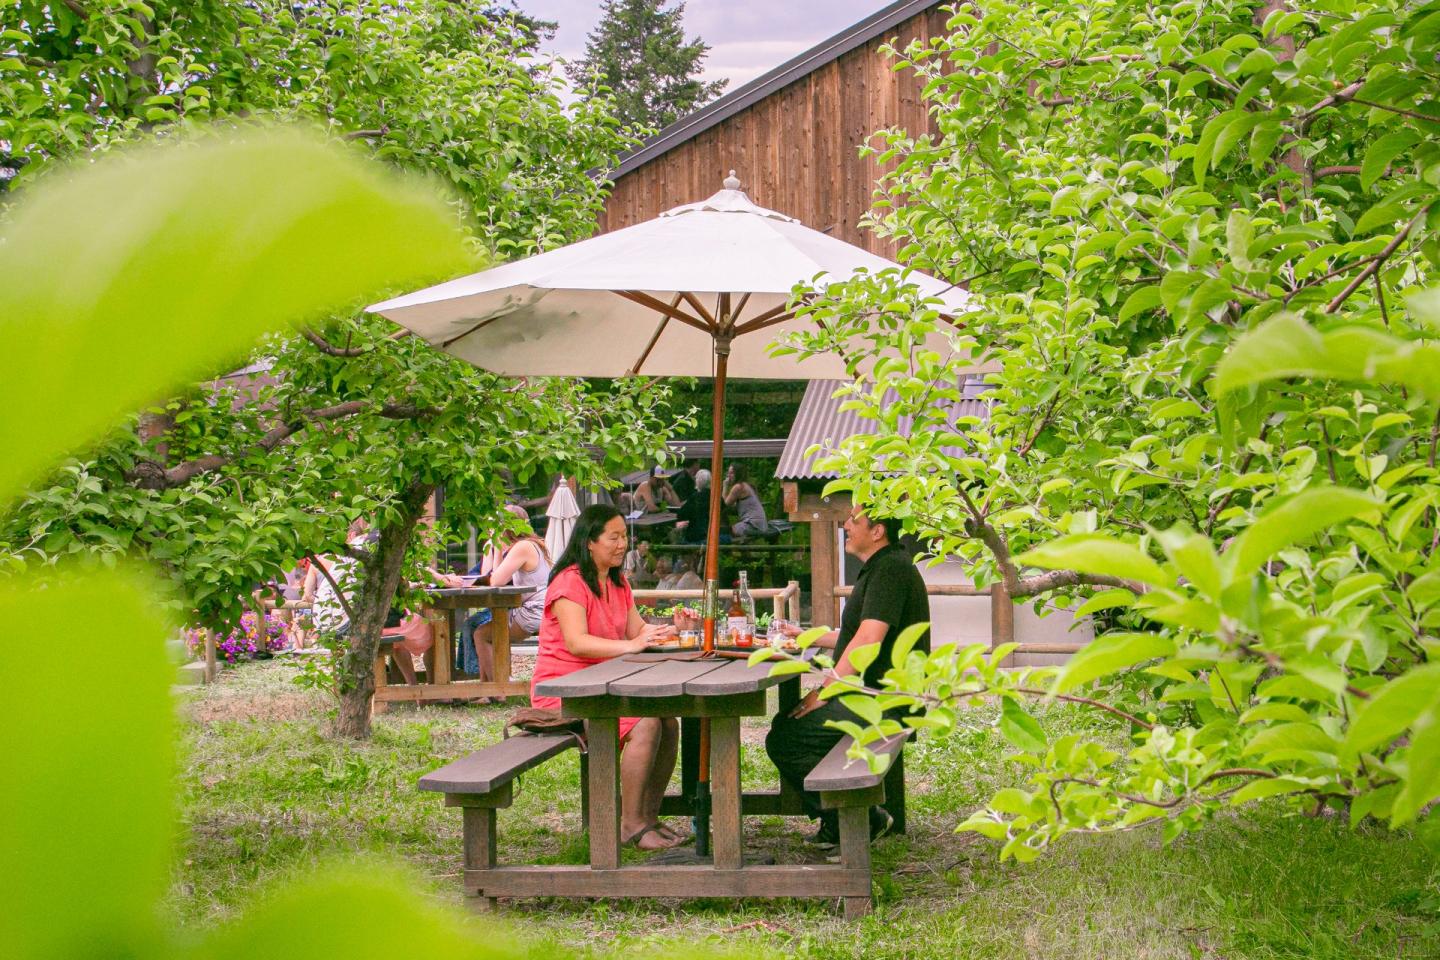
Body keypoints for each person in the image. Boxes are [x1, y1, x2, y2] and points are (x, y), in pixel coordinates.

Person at [765, 509, 930, 849]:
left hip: (884, 702)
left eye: (854, 521)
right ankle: (846, 819)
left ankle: (859, 820)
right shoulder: (885, 566)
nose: (845, 525)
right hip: (877, 694)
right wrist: (807, 635)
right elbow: (856, 632)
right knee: (787, 725)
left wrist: (825, 692)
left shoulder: (891, 569)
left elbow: (869, 639)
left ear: (877, 531)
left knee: (787, 738)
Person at [530, 504, 684, 851]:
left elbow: (638, 629)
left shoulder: (616, 581)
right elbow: (577, 642)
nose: (622, 544)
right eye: (613, 537)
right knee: (645, 724)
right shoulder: (569, 582)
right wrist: (633, 644)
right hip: (565, 692)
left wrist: (669, 631)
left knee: (669, 722)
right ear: (589, 542)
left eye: (624, 536)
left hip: (605, 685)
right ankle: (629, 825)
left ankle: (647, 816)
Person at [463, 504, 553, 692]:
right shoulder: (531, 544)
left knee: (482, 634)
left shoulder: (522, 547)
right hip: (538, 609)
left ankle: (498, 691)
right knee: (484, 630)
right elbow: (496, 578)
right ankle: (487, 690)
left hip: (535, 611)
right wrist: (497, 547)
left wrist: (496, 547)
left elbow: (495, 580)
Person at [724, 463, 773, 538]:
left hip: (753, 524)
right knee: (727, 531)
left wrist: (725, 486)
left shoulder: (739, 487)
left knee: (725, 532)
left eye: (732, 473)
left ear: (738, 474)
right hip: (760, 524)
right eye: (728, 473)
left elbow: (723, 504)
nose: (728, 475)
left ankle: (731, 549)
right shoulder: (746, 485)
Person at [674, 468, 711, 544]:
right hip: (715, 532)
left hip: (698, 535)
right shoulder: (716, 497)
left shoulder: (695, 498)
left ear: (697, 482)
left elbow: (680, 514)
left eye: (696, 478)